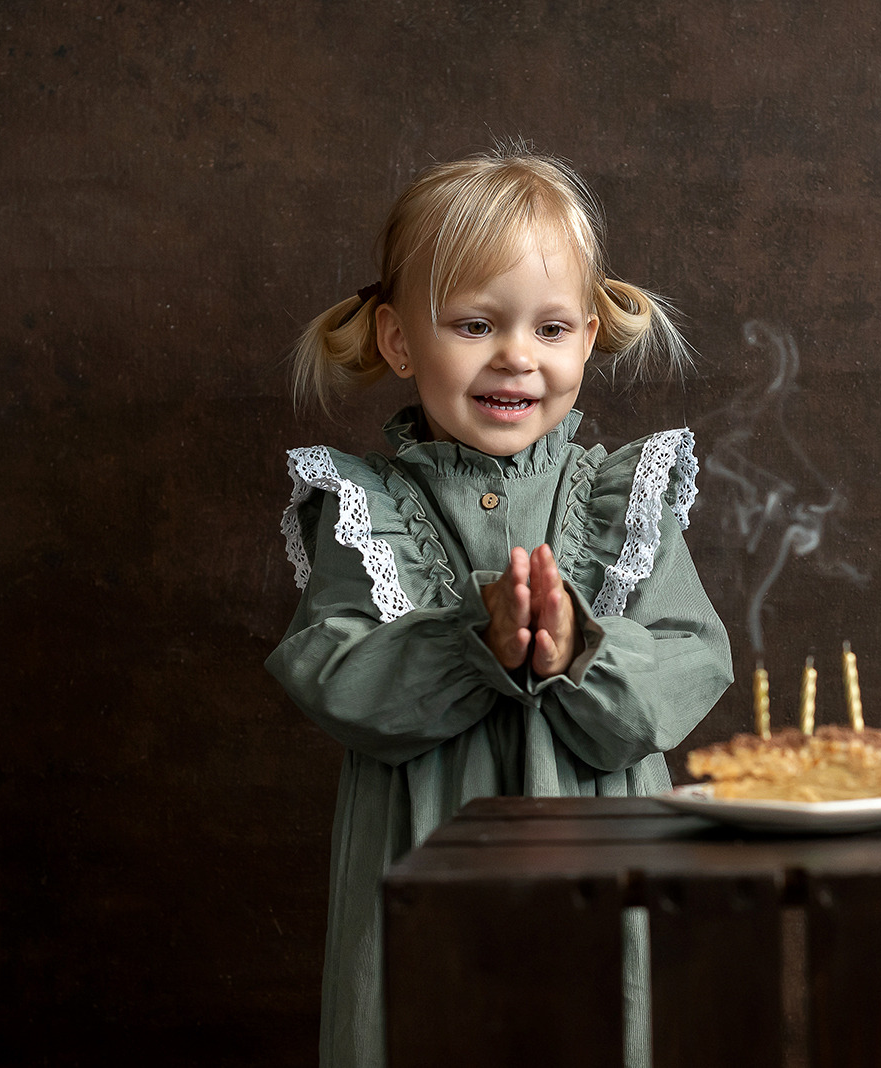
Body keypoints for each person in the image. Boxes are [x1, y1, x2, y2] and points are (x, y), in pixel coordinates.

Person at [265, 145, 733, 1068]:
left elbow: (690, 660)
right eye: (475, 324)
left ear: (588, 338)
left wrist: (580, 649)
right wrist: (466, 641)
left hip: (603, 869)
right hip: (423, 867)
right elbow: (335, 676)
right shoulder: (364, 509)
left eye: (550, 328)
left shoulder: (625, 499)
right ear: (400, 340)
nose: (517, 356)